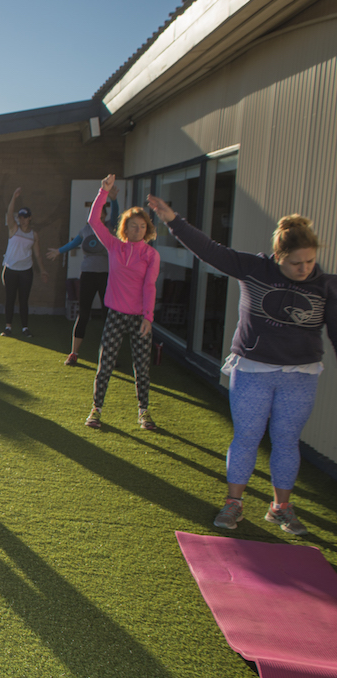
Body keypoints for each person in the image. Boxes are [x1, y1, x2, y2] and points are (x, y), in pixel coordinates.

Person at [147, 196, 337, 536]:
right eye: (296, 263)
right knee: (247, 436)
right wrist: (174, 221)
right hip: (253, 370)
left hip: (301, 375)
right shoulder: (253, 268)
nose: (304, 269)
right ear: (279, 256)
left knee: (286, 439)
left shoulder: (326, 285)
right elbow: (209, 250)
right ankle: (233, 503)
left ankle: (281, 507)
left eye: (310, 261)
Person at [84, 174, 160, 431]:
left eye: (141, 226)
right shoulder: (115, 247)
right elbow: (93, 220)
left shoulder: (151, 255)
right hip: (116, 315)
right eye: (132, 225)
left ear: (147, 229)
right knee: (105, 365)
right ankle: (96, 410)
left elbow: (149, 286)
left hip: (140, 318)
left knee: (142, 368)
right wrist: (102, 192)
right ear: (125, 228)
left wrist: (148, 317)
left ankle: (143, 412)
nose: (137, 230)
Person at [46, 186, 119, 365]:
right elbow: (73, 243)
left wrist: (114, 199)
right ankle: (74, 353)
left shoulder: (110, 228)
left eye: (102, 213)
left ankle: (110, 356)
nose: (100, 216)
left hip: (105, 276)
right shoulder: (85, 230)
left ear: (105, 215)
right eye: (96, 213)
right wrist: (59, 251)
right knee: (83, 313)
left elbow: (117, 215)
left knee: (107, 314)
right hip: (87, 275)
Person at [1, 187, 49, 338]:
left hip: (26, 271)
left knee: (23, 300)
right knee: (9, 298)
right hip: (10, 269)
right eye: (20, 217)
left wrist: (42, 270)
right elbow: (9, 214)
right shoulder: (13, 228)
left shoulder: (33, 235)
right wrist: (13, 198)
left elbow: (38, 255)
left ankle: (24, 328)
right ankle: (8, 327)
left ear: (30, 218)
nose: (22, 219)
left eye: (25, 217)